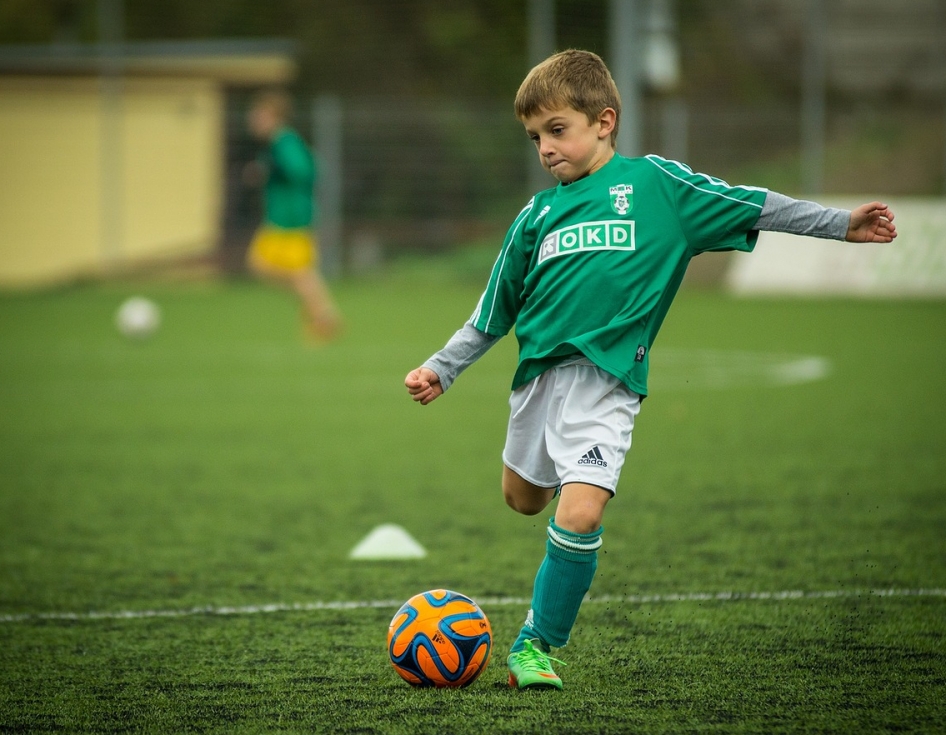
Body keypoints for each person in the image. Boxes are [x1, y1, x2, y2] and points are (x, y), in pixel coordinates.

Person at [404, 49, 897, 691]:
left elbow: (752, 204)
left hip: (608, 384)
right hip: (537, 385)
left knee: (579, 515)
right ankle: (568, 492)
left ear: (604, 121)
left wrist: (839, 224)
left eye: (558, 130)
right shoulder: (535, 217)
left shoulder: (658, 187)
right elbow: (492, 311)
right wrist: (443, 369)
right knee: (523, 499)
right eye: (535, 138)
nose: (546, 148)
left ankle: (536, 644)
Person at [245, 88, 341, 341]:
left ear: (274, 117)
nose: (254, 120)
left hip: (291, 219)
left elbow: (306, 169)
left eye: (259, 115)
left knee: (295, 272)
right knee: (266, 267)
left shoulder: (283, 141)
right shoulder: (275, 145)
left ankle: (323, 316)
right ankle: (319, 311)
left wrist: (275, 170)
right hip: (280, 218)